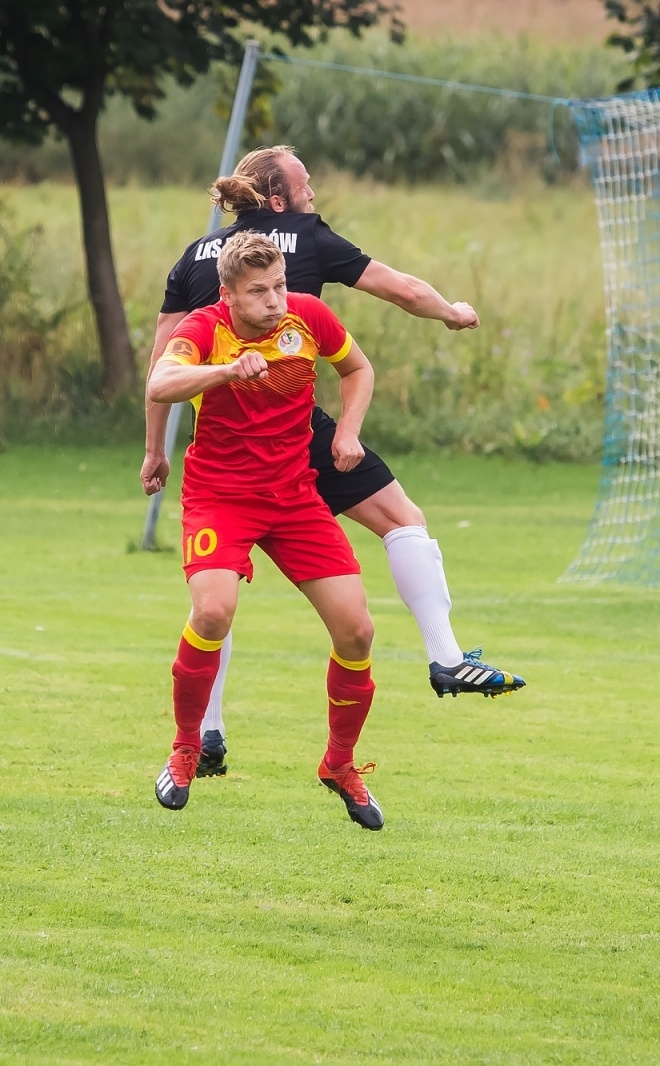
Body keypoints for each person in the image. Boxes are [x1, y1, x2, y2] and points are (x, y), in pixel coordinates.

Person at [141, 145, 525, 778]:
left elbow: (161, 364)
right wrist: (452, 312)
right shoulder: (305, 234)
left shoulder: (195, 255)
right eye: (305, 185)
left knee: (214, 598)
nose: (313, 193)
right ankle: (447, 656)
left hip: (222, 440)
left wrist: (155, 449)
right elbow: (401, 289)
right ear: (278, 200)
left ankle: (208, 733)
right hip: (294, 431)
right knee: (402, 519)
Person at [145, 231, 384, 830]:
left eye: (279, 285)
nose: (275, 300)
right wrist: (226, 371)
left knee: (357, 630)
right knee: (212, 612)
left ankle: (339, 764)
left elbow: (357, 369)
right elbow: (159, 384)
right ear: (227, 294)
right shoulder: (203, 329)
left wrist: (347, 431)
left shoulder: (308, 316)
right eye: (258, 291)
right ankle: (185, 749)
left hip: (294, 496)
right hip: (220, 498)